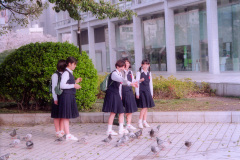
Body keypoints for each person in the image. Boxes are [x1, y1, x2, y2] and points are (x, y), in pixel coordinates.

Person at [102, 59, 138, 136]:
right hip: (112, 94)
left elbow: (120, 86)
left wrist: (120, 95)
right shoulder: (114, 74)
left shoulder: (120, 73)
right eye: (121, 67)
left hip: (117, 94)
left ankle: (121, 129)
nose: (122, 68)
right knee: (113, 112)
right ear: (117, 66)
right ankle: (109, 130)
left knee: (121, 111)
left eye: (123, 66)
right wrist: (131, 83)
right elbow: (122, 80)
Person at [59, 57, 82, 140]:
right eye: (74, 64)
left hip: (68, 95)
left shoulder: (68, 73)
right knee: (66, 115)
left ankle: (67, 133)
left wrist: (75, 82)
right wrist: (73, 85)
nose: (75, 66)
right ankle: (67, 134)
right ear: (69, 64)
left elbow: (67, 83)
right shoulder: (66, 73)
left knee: (66, 115)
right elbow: (62, 85)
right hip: (66, 96)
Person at [122, 58, 143, 130]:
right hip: (124, 91)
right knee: (125, 109)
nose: (127, 64)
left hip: (130, 91)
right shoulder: (122, 72)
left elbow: (133, 80)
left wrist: (138, 81)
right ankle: (123, 124)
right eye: (125, 63)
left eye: (128, 63)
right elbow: (124, 81)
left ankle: (129, 124)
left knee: (130, 108)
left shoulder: (130, 72)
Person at [136, 59, 155, 129]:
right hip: (142, 92)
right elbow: (137, 83)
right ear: (141, 65)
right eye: (144, 64)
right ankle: (139, 122)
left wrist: (151, 93)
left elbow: (151, 84)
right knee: (144, 107)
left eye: (147, 64)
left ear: (149, 65)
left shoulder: (149, 73)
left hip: (147, 92)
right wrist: (137, 93)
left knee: (146, 107)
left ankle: (144, 121)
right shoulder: (139, 73)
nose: (145, 66)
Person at [51, 59, 66, 138]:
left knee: (62, 114)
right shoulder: (55, 75)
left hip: (63, 96)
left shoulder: (64, 74)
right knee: (56, 115)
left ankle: (62, 130)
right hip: (57, 96)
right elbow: (54, 87)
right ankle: (57, 131)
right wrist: (55, 98)